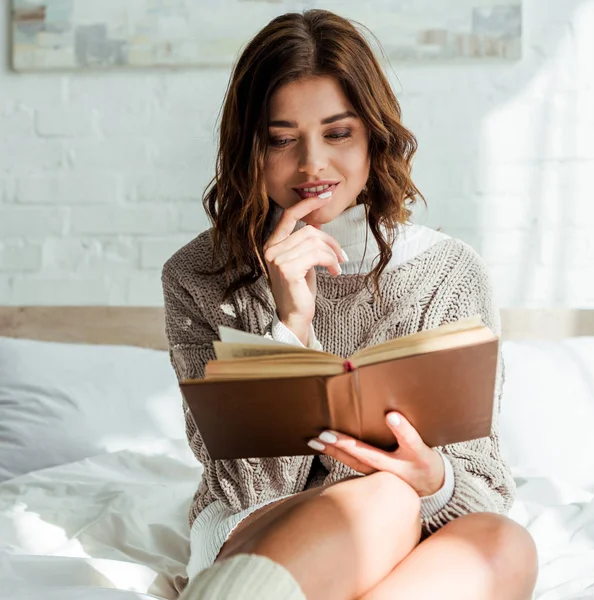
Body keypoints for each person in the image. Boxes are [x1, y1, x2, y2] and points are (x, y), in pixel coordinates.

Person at [161, 9, 538, 600]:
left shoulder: (448, 272)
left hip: (417, 532)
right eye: (281, 139)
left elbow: (486, 488)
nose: (312, 165)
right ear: (249, 149)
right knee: (383, 498)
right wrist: (289, 323)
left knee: (504, 541)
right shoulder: (197, 276)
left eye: (338, 133)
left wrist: (432, 479)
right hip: (263, 528)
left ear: (374, 137)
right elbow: (247, 486)